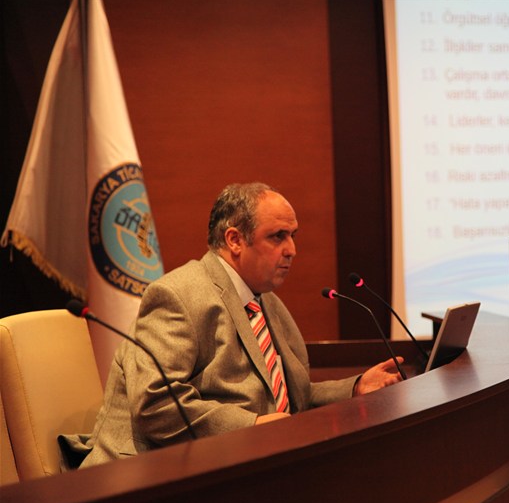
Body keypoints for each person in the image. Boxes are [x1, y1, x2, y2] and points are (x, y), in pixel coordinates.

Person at [69, 183, 403, 467]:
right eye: (278, 236)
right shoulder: (177, 296)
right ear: (235, 240)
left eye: (293, 236)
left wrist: (354, 389)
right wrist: (252, 427)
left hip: (232, 464)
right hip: (146, 473)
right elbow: (156, 404)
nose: (292, 250)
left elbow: (287, 399)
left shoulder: (266, 301)